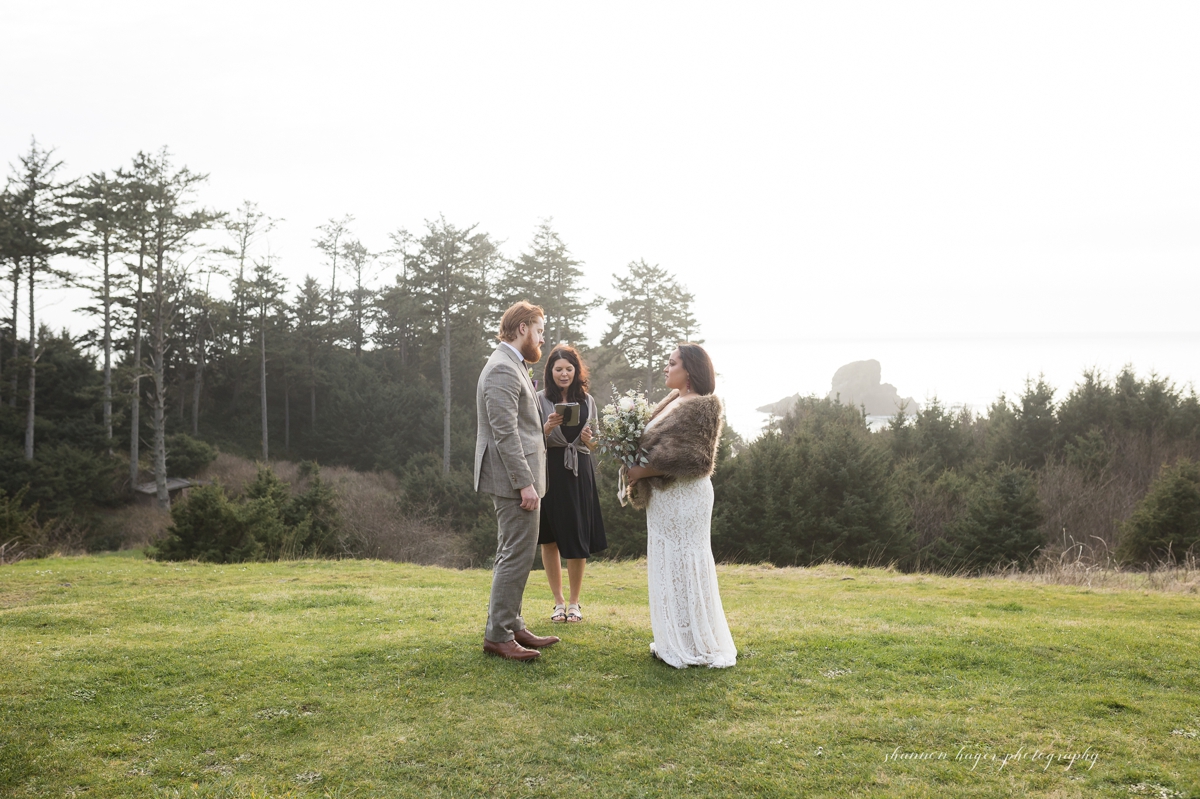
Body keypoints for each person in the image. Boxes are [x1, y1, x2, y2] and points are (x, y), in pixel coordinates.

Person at [625, 343, 737, 669]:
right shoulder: (672, 402)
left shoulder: (702, 407)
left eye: (671, 363)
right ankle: (672, 637)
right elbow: (649, 443)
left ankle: (695, 642)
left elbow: (695, 458)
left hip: (686, 497)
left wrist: (642, 470)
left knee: (686, 562)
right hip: (664, 498)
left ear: (689, 370)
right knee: (667, 563)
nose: (666, 367)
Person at [473, 301, 561, 661]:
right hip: (513, 480)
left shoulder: (513, 364)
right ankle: (498, 635)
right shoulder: (501, 369)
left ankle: (511, 624)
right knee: (515, 555)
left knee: (516, 554)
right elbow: (505, 432)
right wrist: (524, 482)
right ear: (522, 328)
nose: (542, 338)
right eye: (539, 330)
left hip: (517, 477)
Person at [536, 345, 607, 623]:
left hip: (579, 470)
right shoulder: (539, 399)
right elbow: (530, 437)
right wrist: (548, 427)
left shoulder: (587, 400)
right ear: (550, 372)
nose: (564, 374)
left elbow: (597, 443)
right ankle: (558, 603)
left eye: (568, 369)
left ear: (576, 371)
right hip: (549, 469)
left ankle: (575, 603)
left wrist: (589, 438)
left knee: (577, 535)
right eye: (558, 369)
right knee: (550, 538)